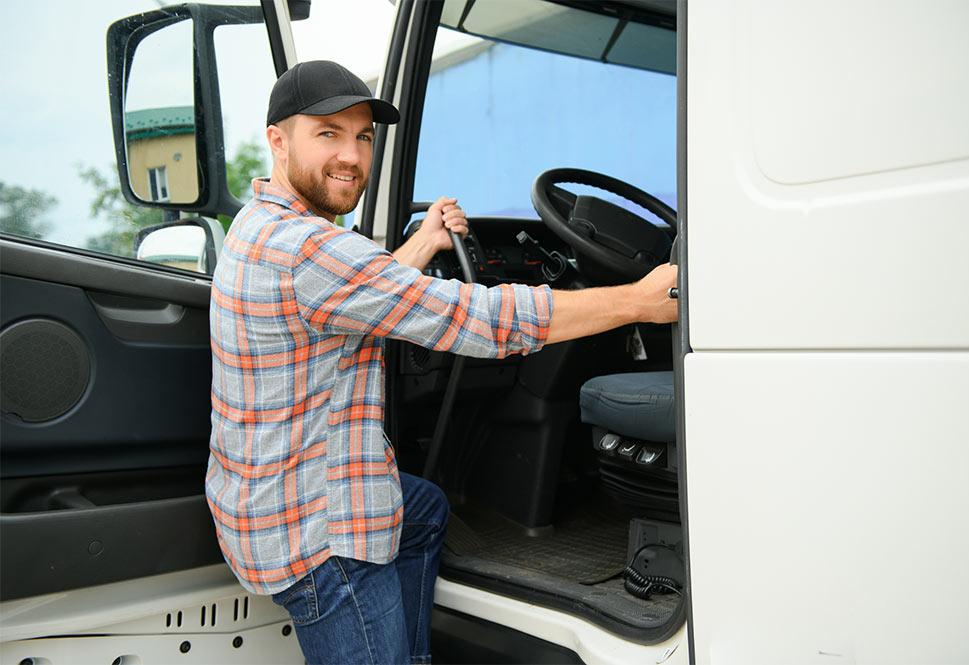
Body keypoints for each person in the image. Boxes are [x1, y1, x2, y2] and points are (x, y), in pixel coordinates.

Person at [206, 60, 678, 665]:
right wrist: (636, 301)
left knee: (425, 508)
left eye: (364, 137)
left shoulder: (263, 227)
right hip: (321, 541)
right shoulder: (308, 248)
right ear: (278, 139)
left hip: (265, 502)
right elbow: (476, 318)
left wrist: (426, 242)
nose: (352, 155)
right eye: (329, 133)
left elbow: (364, 293)